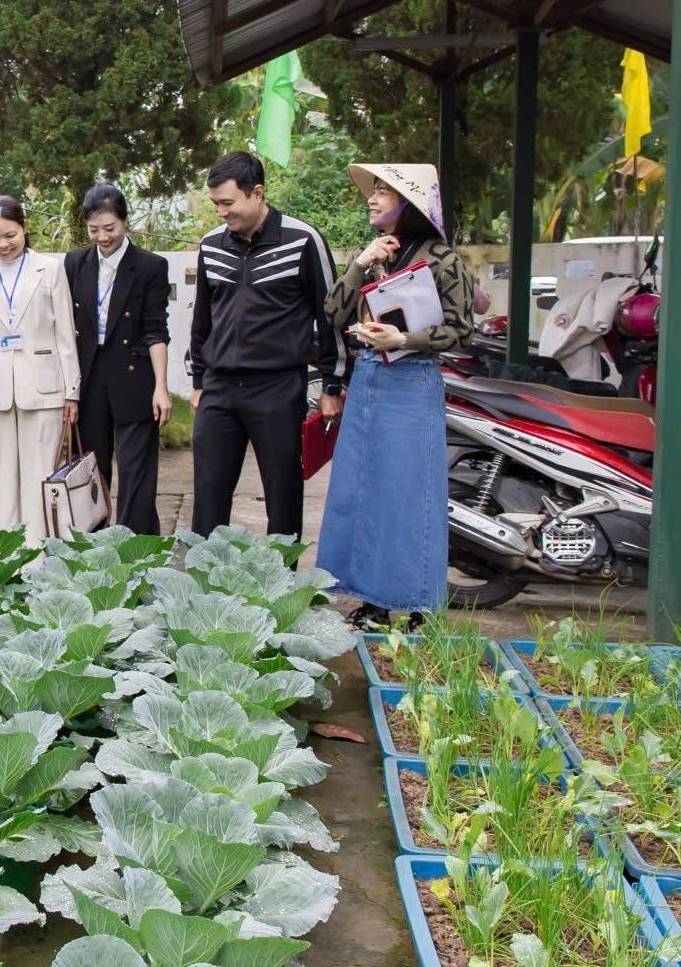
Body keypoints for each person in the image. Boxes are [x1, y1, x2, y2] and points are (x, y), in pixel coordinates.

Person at [319, 162, 474, 625]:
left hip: (412, 383)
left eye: (384, 191)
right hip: (368, 380)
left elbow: (463, 330)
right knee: (363, 491)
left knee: (409, 494)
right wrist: (360, 264)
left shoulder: (442, 258)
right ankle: (373, 601)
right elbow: (333, 312)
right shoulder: (377, 255)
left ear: (410, 203)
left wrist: (403, 340)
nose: (372, 197)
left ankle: (417, 605)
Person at [184, 151, 349, 540]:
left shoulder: (303, 239)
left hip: (278, 388)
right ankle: (201, 592)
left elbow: (331, 317)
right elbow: (202, 320)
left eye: (228, 203)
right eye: (215, 204)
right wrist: (198, 380)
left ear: (257, 193)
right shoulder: (211, 245)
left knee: (283, 494)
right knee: (208, 494)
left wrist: (332, 385)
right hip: (219, 389)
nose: (221, 212)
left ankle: (283, 592)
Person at [0, 196, 79, 539]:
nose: (3, 244)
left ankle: (40, 556)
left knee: (42, 475)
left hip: (45, 388)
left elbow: (65, 335)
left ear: (24, 228)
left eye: (10, 234)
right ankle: (5, 555)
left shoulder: (51, 269)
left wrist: (72, 392)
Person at [64, 183, 172, 535]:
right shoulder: (74, 262)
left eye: (110, 228)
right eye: (94, 230)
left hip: (134, 377)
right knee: (90, 469)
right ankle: (90, 547)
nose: (102, 237)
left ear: (125, 222)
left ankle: (137, 548)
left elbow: (156, 330)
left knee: (136, 470)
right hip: (90, 379)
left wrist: (162, 388)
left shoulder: (150, 266)